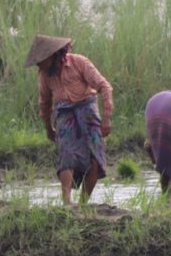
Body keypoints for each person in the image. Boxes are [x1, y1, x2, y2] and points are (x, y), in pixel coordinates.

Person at [25, 34, 113, 205]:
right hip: (64, 112)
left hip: (87, 108)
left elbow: (104, 87)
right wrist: (48, 128)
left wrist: (107, 119)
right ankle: (67, 203)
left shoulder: (79, 62)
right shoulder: (44, 75)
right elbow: (44, 103)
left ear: (53, 56)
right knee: (67, 154)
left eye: (41, 61)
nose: (39, 65)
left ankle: (83, 203)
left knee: (95, 158)